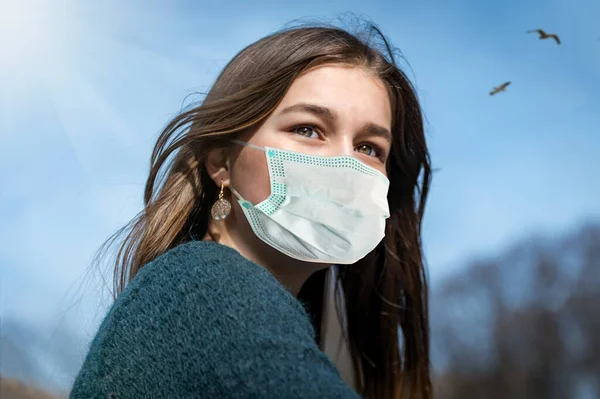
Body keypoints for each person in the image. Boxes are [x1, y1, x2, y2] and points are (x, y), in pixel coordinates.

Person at [70, 22, 432, 399]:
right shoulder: (208, 287)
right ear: (222, 162)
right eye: (308, 129)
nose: (346, 164)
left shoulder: (200, 289)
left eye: (369, 148)